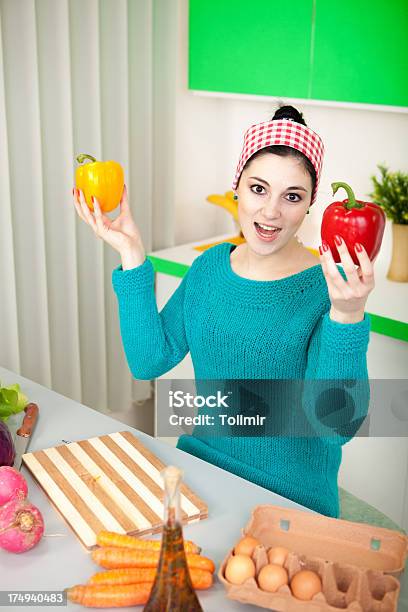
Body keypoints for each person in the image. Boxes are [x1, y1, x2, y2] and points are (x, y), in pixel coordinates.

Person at [72, 105, 375, 518]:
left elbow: (336, 428)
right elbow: (149, 360)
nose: (270, 212)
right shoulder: (210, 268)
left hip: (291, 503)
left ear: (309, 206)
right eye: (258, 189)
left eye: (292, 196)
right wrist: (132, 255)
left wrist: (348, 315)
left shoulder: (330, 289)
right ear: (237, 188)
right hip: (205, 478)